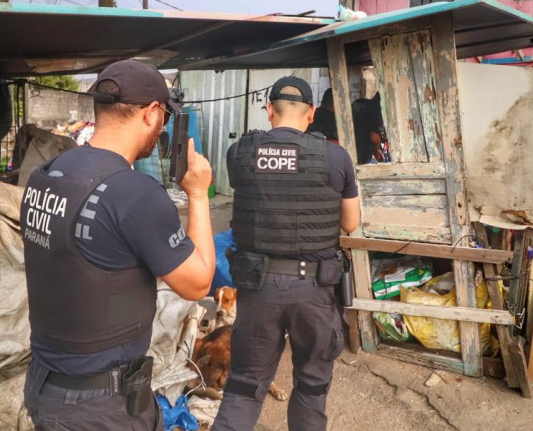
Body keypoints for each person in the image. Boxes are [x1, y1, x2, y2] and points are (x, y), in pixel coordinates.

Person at [20, 60, 215, 431]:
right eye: (163, 117)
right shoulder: (135, 193)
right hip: (98, 406)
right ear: (152, 113)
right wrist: (199, 195)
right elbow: (198, 282)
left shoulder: (47, 175)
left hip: (46, 386)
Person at [213, 76, 360, 431]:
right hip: (314, 291)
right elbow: (351, 224)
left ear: (268, 110)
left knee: (245, 387)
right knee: (311, 387)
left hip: (257, 288)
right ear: (311, 113)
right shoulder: (335, 156)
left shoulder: (239, 153)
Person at [352, 92, 385, 164]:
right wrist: (376, 150)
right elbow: (374, 138)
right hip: (361, 153)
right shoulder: (376, 108)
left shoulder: (359, 103)